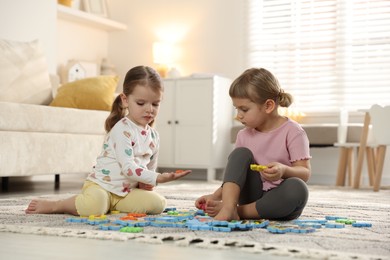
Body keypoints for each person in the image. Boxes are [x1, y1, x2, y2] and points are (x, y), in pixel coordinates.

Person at [25, 65, 191, 216]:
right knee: (94, 208)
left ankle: (112, 206)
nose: (149, 109)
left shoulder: (154, 136)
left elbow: (149, 167)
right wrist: (159, 177)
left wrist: (147, 185)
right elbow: (128, 168)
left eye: (155, 104)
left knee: (158, 204)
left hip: (125, 192)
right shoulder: (122, 129)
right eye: (141, 103)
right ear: (125, 100)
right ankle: (58, 205)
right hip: (101, 187)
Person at [195, 68, 311, 221]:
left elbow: (304, 172)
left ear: (268, 106)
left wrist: (283, 170)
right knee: (240, 154)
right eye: (237, 109)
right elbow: (236, 176)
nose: (238, 115)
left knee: (298, 188)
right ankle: (229, 207)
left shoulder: (293, 131)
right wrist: (215, 196)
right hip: (251, 194)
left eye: (244, 109)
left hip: (279, 200)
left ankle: (238, 212)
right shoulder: (243, 135)